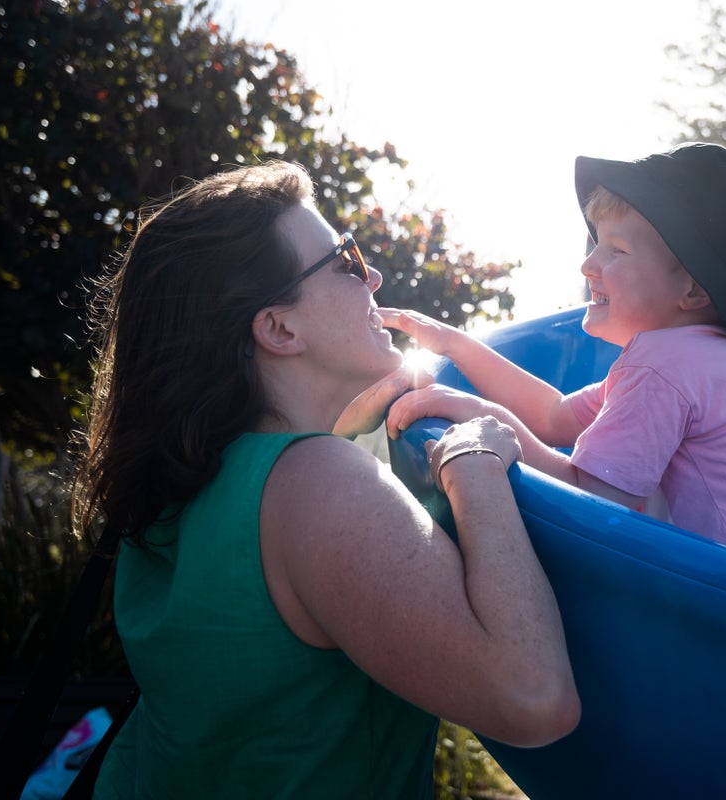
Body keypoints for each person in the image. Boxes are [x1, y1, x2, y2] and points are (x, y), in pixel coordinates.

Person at [69, 160, 580, 799]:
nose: (372, 275)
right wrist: (472, 458)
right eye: (344, 259)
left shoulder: (188, 486)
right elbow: (533, 699)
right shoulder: (315, 481)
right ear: (279, 328)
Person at [382, 143, 726, 588]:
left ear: (692, 292)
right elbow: (555, 418)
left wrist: (483, 422)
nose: (589, 264)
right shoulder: (696, 356)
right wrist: (458, 346)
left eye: (616, 250)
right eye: (596, 244)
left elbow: (591, 500)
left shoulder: (666, 367)